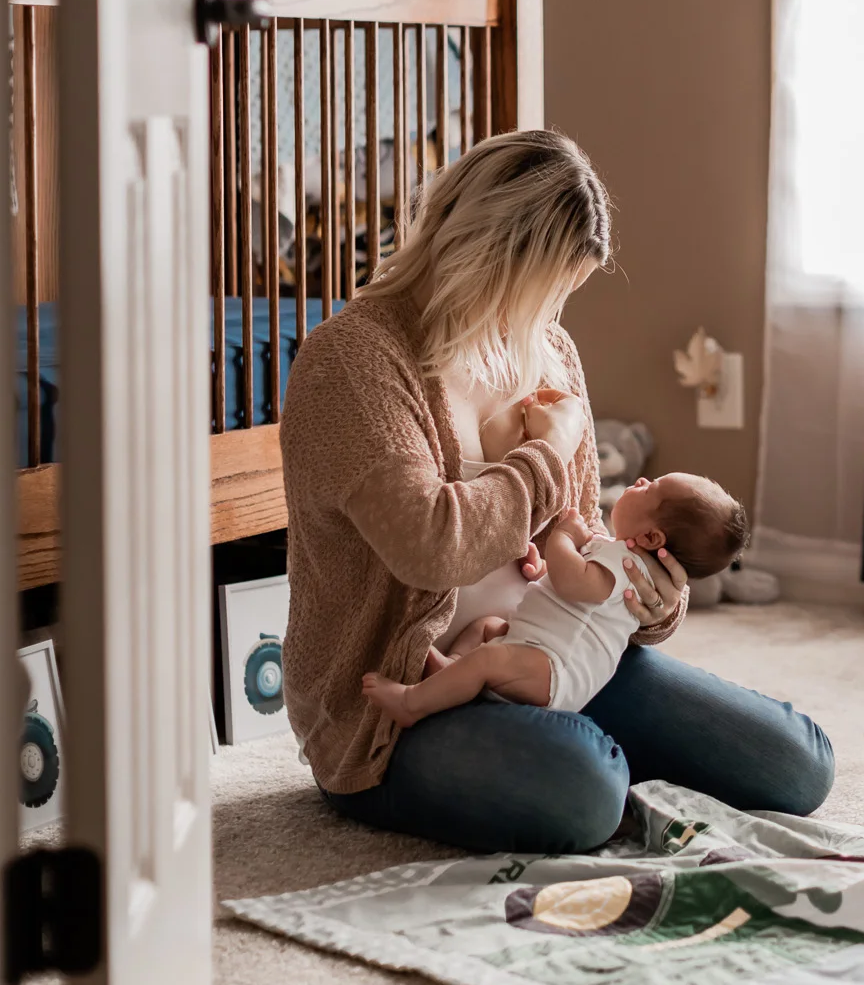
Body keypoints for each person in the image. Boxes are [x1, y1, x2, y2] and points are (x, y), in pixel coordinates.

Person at [279, 128, 833, 853]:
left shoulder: (547, 347)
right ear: (484, 259)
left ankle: (562, 744)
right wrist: (551, 446)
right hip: (405, 701)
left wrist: (653, 599)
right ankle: (561, 753)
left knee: (797, 767)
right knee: (583, 795)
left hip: (556, 654)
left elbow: (589, 533)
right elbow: (430, 549)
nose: (547, 321)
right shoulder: (355, 361)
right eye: (541, 293)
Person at [361, 469, 746, 722]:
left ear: (650, 538)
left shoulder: (626, 564)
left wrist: (561, 539)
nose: (642, 480)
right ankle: (453, 671)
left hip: (555, 671)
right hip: (537, 649)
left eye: (653, 488)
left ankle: (412, 704)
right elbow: (581, 599)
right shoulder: (617, 558)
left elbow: (575, 585)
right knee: (487, 628)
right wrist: (544, 572)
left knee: (491, 656)